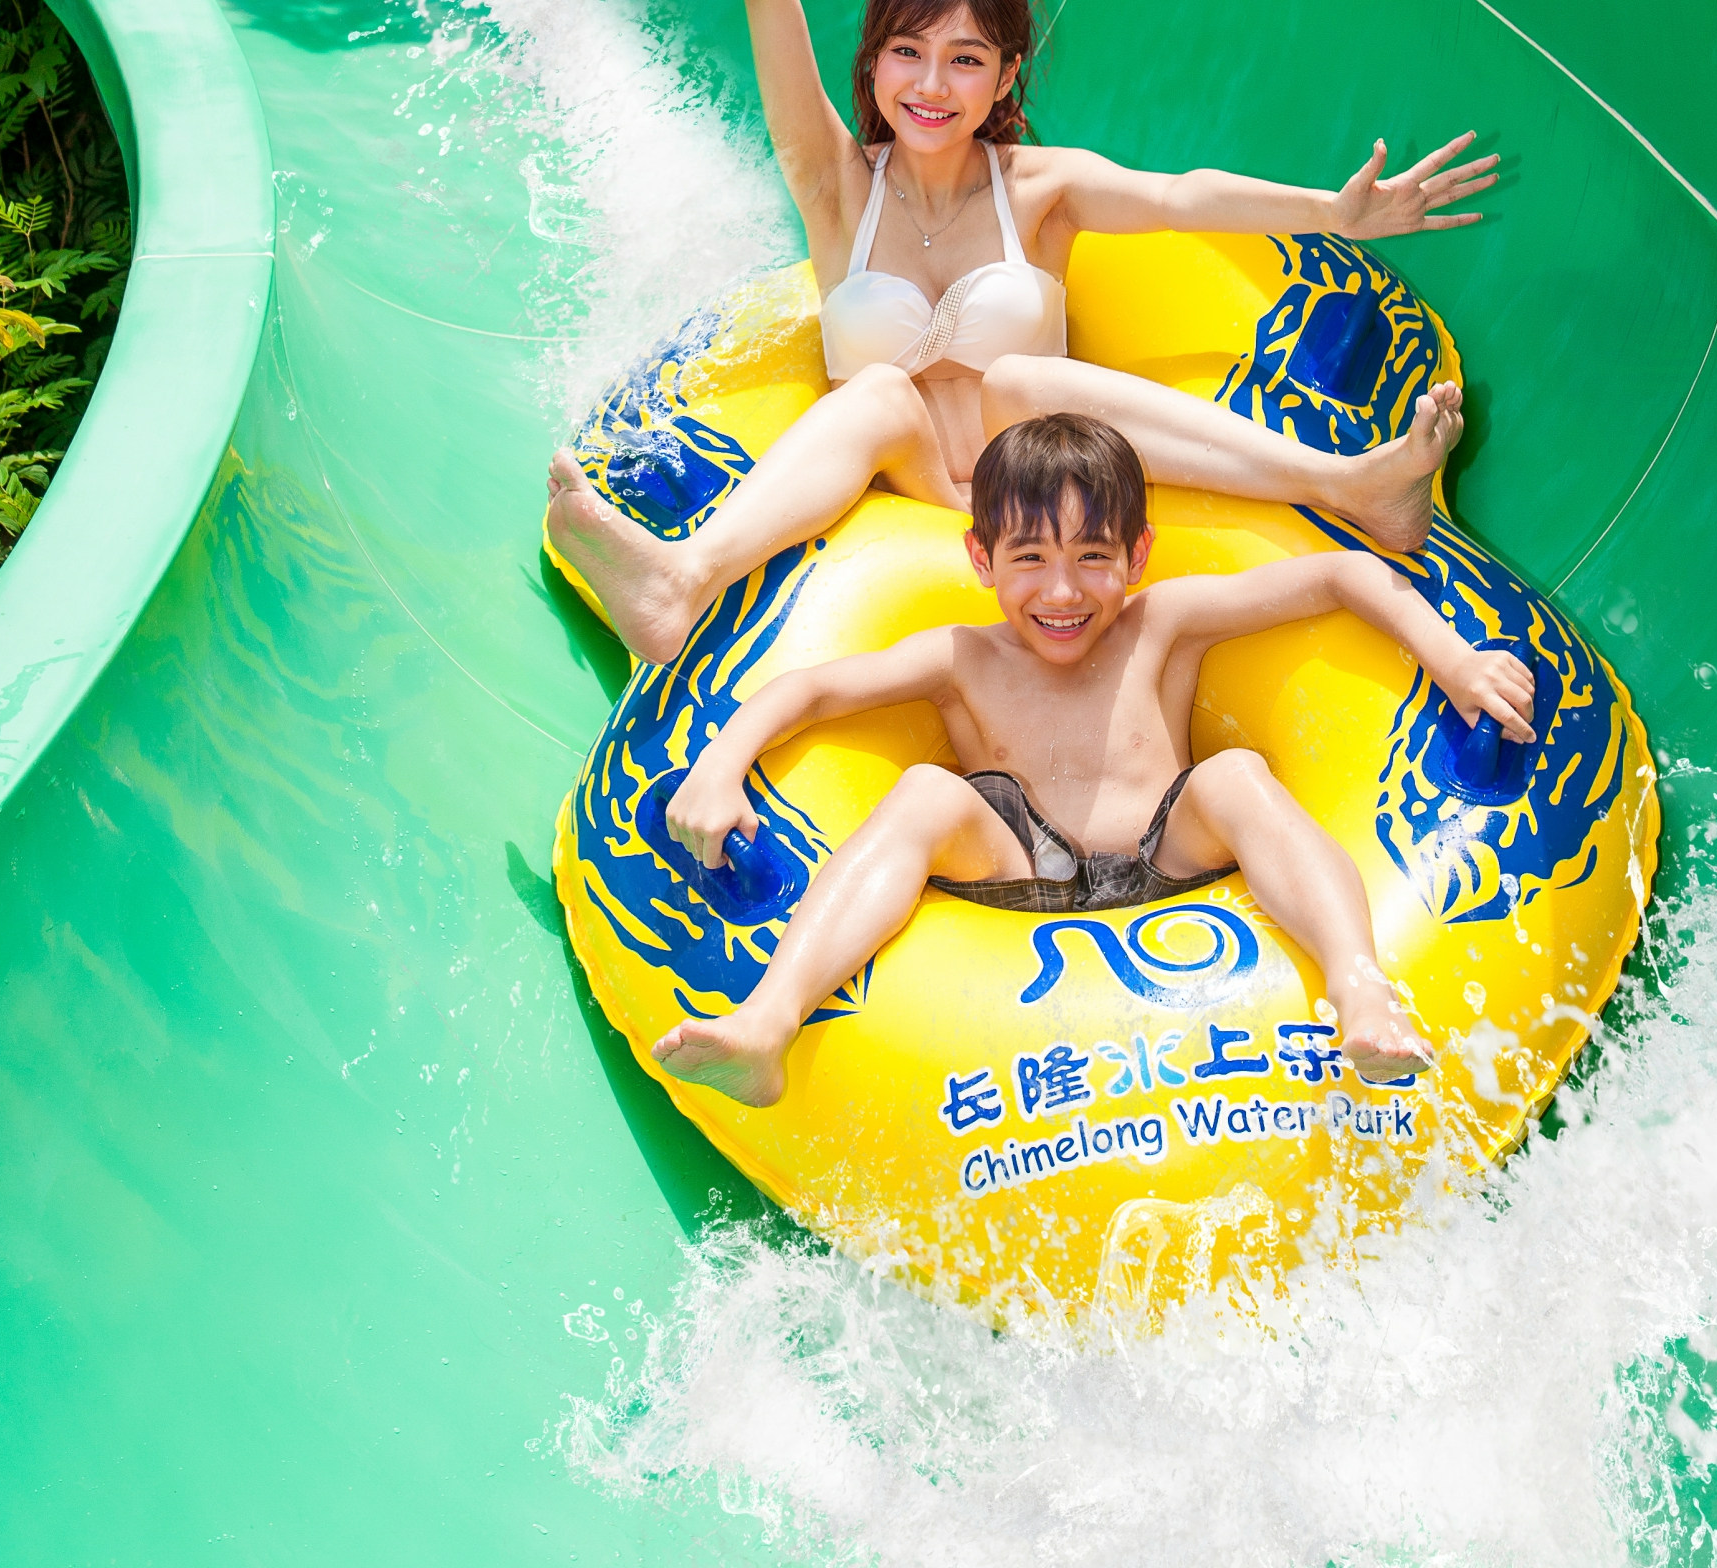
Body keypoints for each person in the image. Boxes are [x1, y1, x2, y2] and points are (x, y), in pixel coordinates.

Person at [546, 0, 1501, 667]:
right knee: (876, 393)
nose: (928, 84)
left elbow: (1180, 196)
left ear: (1005, 77)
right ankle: (681, 580)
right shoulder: (832, 183)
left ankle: (1346, 483)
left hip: (1049, 487)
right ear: (869, 63)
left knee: (1016, 387)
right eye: (905, 52)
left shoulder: (1038, 190)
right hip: (916, 482)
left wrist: (1332, 211)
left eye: (964, 59)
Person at [650, 412, 1535, 1103]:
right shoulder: (960, 657)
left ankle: (1359, 987)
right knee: (924, 792)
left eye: (1093, 556)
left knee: (1233, 776)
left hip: (1166, 852)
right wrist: (719, 768)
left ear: (1137, 555)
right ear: (981, 557)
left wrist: (1454, 661)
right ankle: (768, 1023)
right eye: (1029, 558)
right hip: (1020, 868)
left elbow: (1340, 574)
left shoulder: (1164, 621)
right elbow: (806, 690)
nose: (1063, 590)